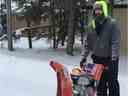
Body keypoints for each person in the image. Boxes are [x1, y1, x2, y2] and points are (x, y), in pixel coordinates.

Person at [80, 1, 120, 96]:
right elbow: (87, 44)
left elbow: (115, 42)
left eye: (100, 10)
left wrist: (113, 58)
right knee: (100, 85)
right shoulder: (91, 26)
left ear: (104, 10)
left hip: (110, 59)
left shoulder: (112, 24)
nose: (98, 12)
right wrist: (83, 57)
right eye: (96, 10)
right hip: (97, 60)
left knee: (112, 84)